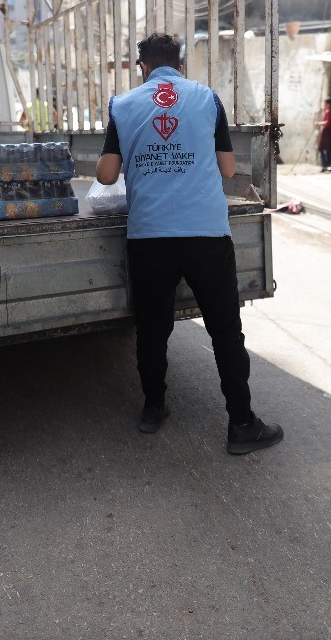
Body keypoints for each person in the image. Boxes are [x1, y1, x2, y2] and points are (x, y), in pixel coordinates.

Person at [95, 32, 284, 455]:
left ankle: (154, 408)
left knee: (152, 329)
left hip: (149, 236)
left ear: (141, 66)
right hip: (205, 233)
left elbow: (107, 176)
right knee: (224, 332)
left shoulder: (123, 105)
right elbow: (228, 166)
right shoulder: (206, 98)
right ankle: (241, 424)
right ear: (180, 65)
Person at [316, 98, 331, 172]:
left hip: (327, 133)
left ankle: (325, 165)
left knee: (323, 149)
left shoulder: (329, 112)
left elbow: (327, 122)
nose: (324, 105)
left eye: (325, 104)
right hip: (328, 132)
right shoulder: (329, 112)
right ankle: (327, 165)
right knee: (327, 149)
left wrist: (319, 123)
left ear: (328, 105)